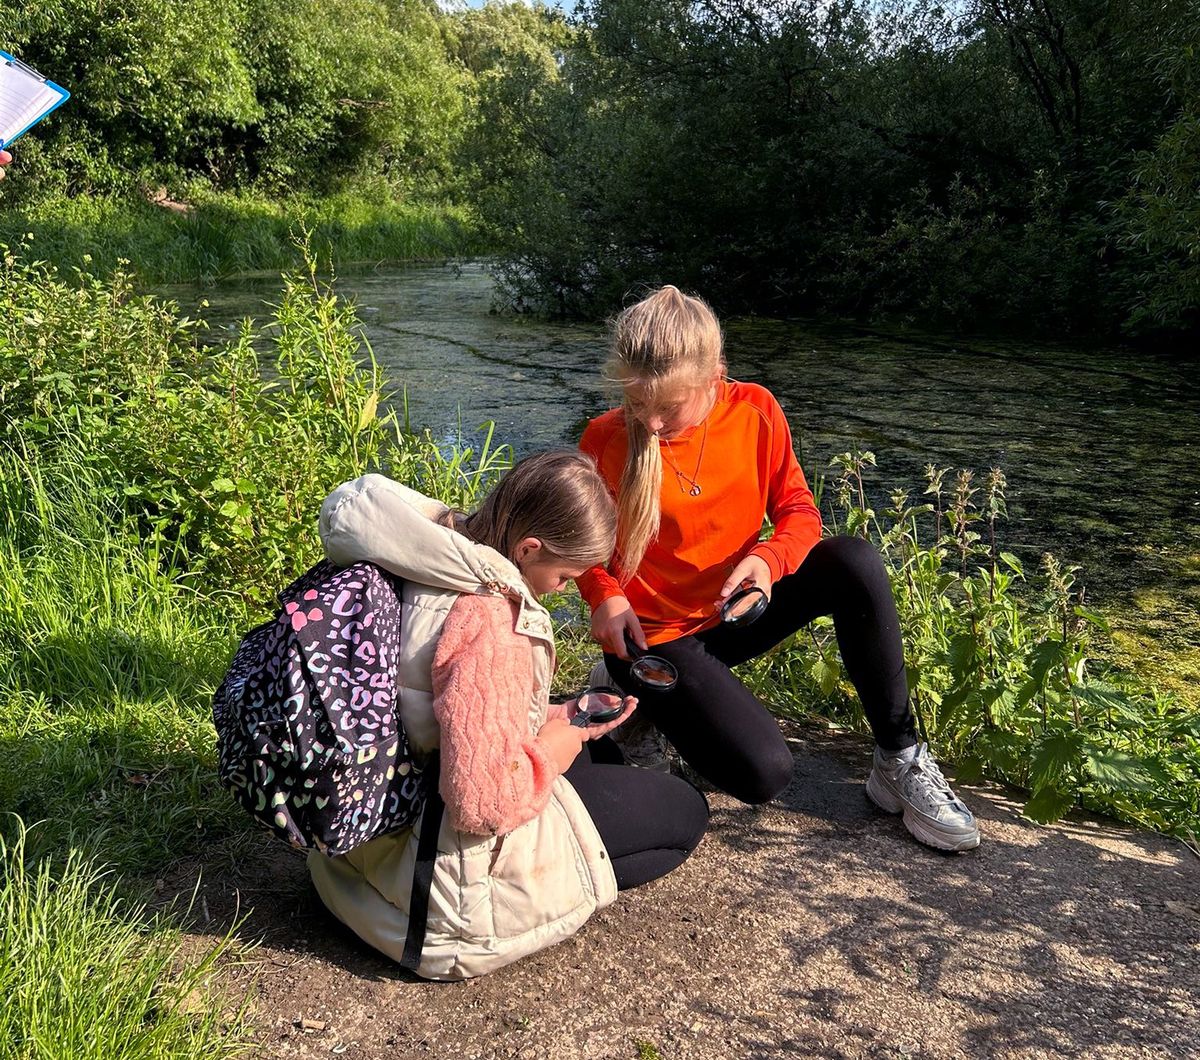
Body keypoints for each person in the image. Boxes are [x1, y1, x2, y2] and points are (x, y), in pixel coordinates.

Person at [576, 286, 980, 852]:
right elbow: (581, 545)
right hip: (655, 638)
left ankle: (899, 756)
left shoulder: (755, 410)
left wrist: (768, 561)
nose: (653, 421)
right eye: (640, 403)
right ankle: (634, 691)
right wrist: (603, 594)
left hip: (734, 612)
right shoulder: (605, 437)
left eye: (668, 407)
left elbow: (798, 513)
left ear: (714, 376)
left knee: (853, 560)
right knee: (765, 774)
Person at [307, 450, 709, 980]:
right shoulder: (490, 618)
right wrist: (554, 747)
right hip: (433, 899)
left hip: (353, 847)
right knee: (685, 812)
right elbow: (481, 806)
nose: (561, 589)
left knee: (607, 756)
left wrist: (552, 714)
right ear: (529, 548)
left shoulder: (417, 551)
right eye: (564, 575)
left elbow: (431, 699)